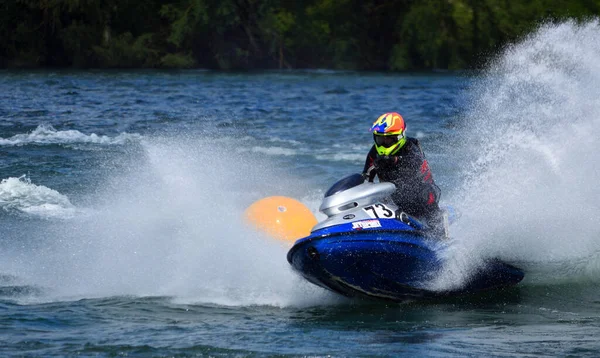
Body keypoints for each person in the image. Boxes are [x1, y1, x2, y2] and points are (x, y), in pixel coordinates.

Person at [362, 112, 444, 235]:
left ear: (399, 137)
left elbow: (415, 163)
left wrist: (396, 160)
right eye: (380, 139)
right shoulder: (374, 153)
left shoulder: (410, 147)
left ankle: (440, 233)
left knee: (426, 193)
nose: (384, 143)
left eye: (388, 139)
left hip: (419, 197)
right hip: (391, 197)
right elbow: (366, 178)